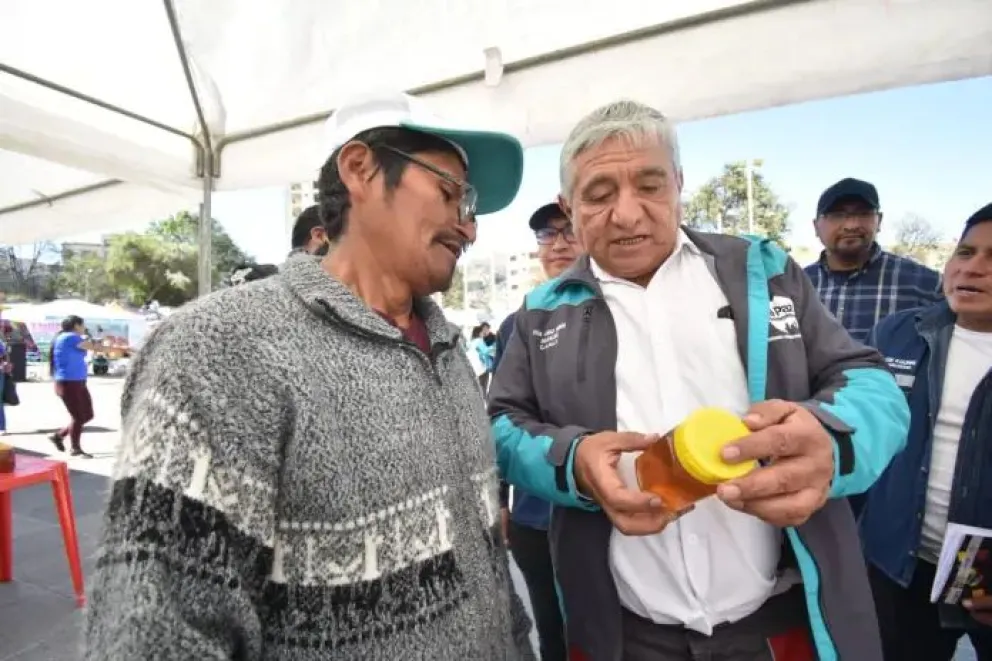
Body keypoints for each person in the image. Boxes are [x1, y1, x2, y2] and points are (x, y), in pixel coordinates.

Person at [84, 91, 535, 660]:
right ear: (359, 169)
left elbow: (489, 560)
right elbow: (153, 637)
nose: (467, 229)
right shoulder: (221, 349)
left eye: (470, 210)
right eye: (450, 193)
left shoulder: (448, 350)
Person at [488, 100, 910, 661]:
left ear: (679, 184)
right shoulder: (541, 312)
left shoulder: (762, 271)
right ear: (569, 206)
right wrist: (573, 463)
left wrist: (831, 441)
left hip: (782, 622)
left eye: (650, 185)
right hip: (625, 631)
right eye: (599, 194)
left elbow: (869, 380)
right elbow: (499, 426)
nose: (628, 214)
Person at [860, 202, 992, 660]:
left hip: (984, 583)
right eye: (965, 252)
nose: (973, 268)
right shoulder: (900, 333)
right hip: (900, 565)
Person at [493, 201, 581, 661]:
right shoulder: (516, 324)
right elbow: (498, 418)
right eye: (548, 235)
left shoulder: (620, 310)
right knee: (554, 635)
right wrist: (499, 499)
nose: (560, 243)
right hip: (535, 519)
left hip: (603, 514)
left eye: (570, 231)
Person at [804, 177, 943, 343]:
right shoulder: (796, 286)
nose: (851, 225)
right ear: (816, 226)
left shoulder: (925, 284)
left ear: (879, 221)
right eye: (837, 215)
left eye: (863, 213)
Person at [48, 315, 95, 458]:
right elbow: (94, 347)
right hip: (69, 383)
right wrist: (122, 348)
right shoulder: (70, 337)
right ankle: (75, 448)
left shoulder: (72, 338)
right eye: (82, 325)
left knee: (87, 415)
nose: (84, 328)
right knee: (79, 416)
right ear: (76, 325)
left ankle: (59, 436)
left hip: (78, 382)